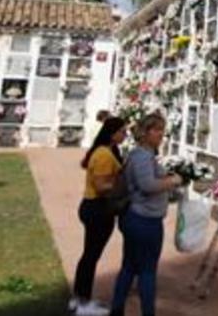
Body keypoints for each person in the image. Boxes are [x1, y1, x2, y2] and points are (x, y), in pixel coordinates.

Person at [110, 114, 182, 316]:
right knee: (147, 271)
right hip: (144, 220)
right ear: (145, 132)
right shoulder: (142, 156)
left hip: (137, 218)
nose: (162, 134)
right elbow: (147, 185)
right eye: (157, 130)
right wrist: (172, 181)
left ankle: (117, 309)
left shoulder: (141, 155)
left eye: (162, 129)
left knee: (130, 267)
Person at [71, 117, 127, 316]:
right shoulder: (103, 154)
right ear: (112, 133)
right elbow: (102, 186)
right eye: (122, 131)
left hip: (94, 207)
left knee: (89, 255)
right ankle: (83, 303)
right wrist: (125, 185)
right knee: (91, 256)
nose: (125, 135)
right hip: (98, 208)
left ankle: (79, 298)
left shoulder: (108, 151)